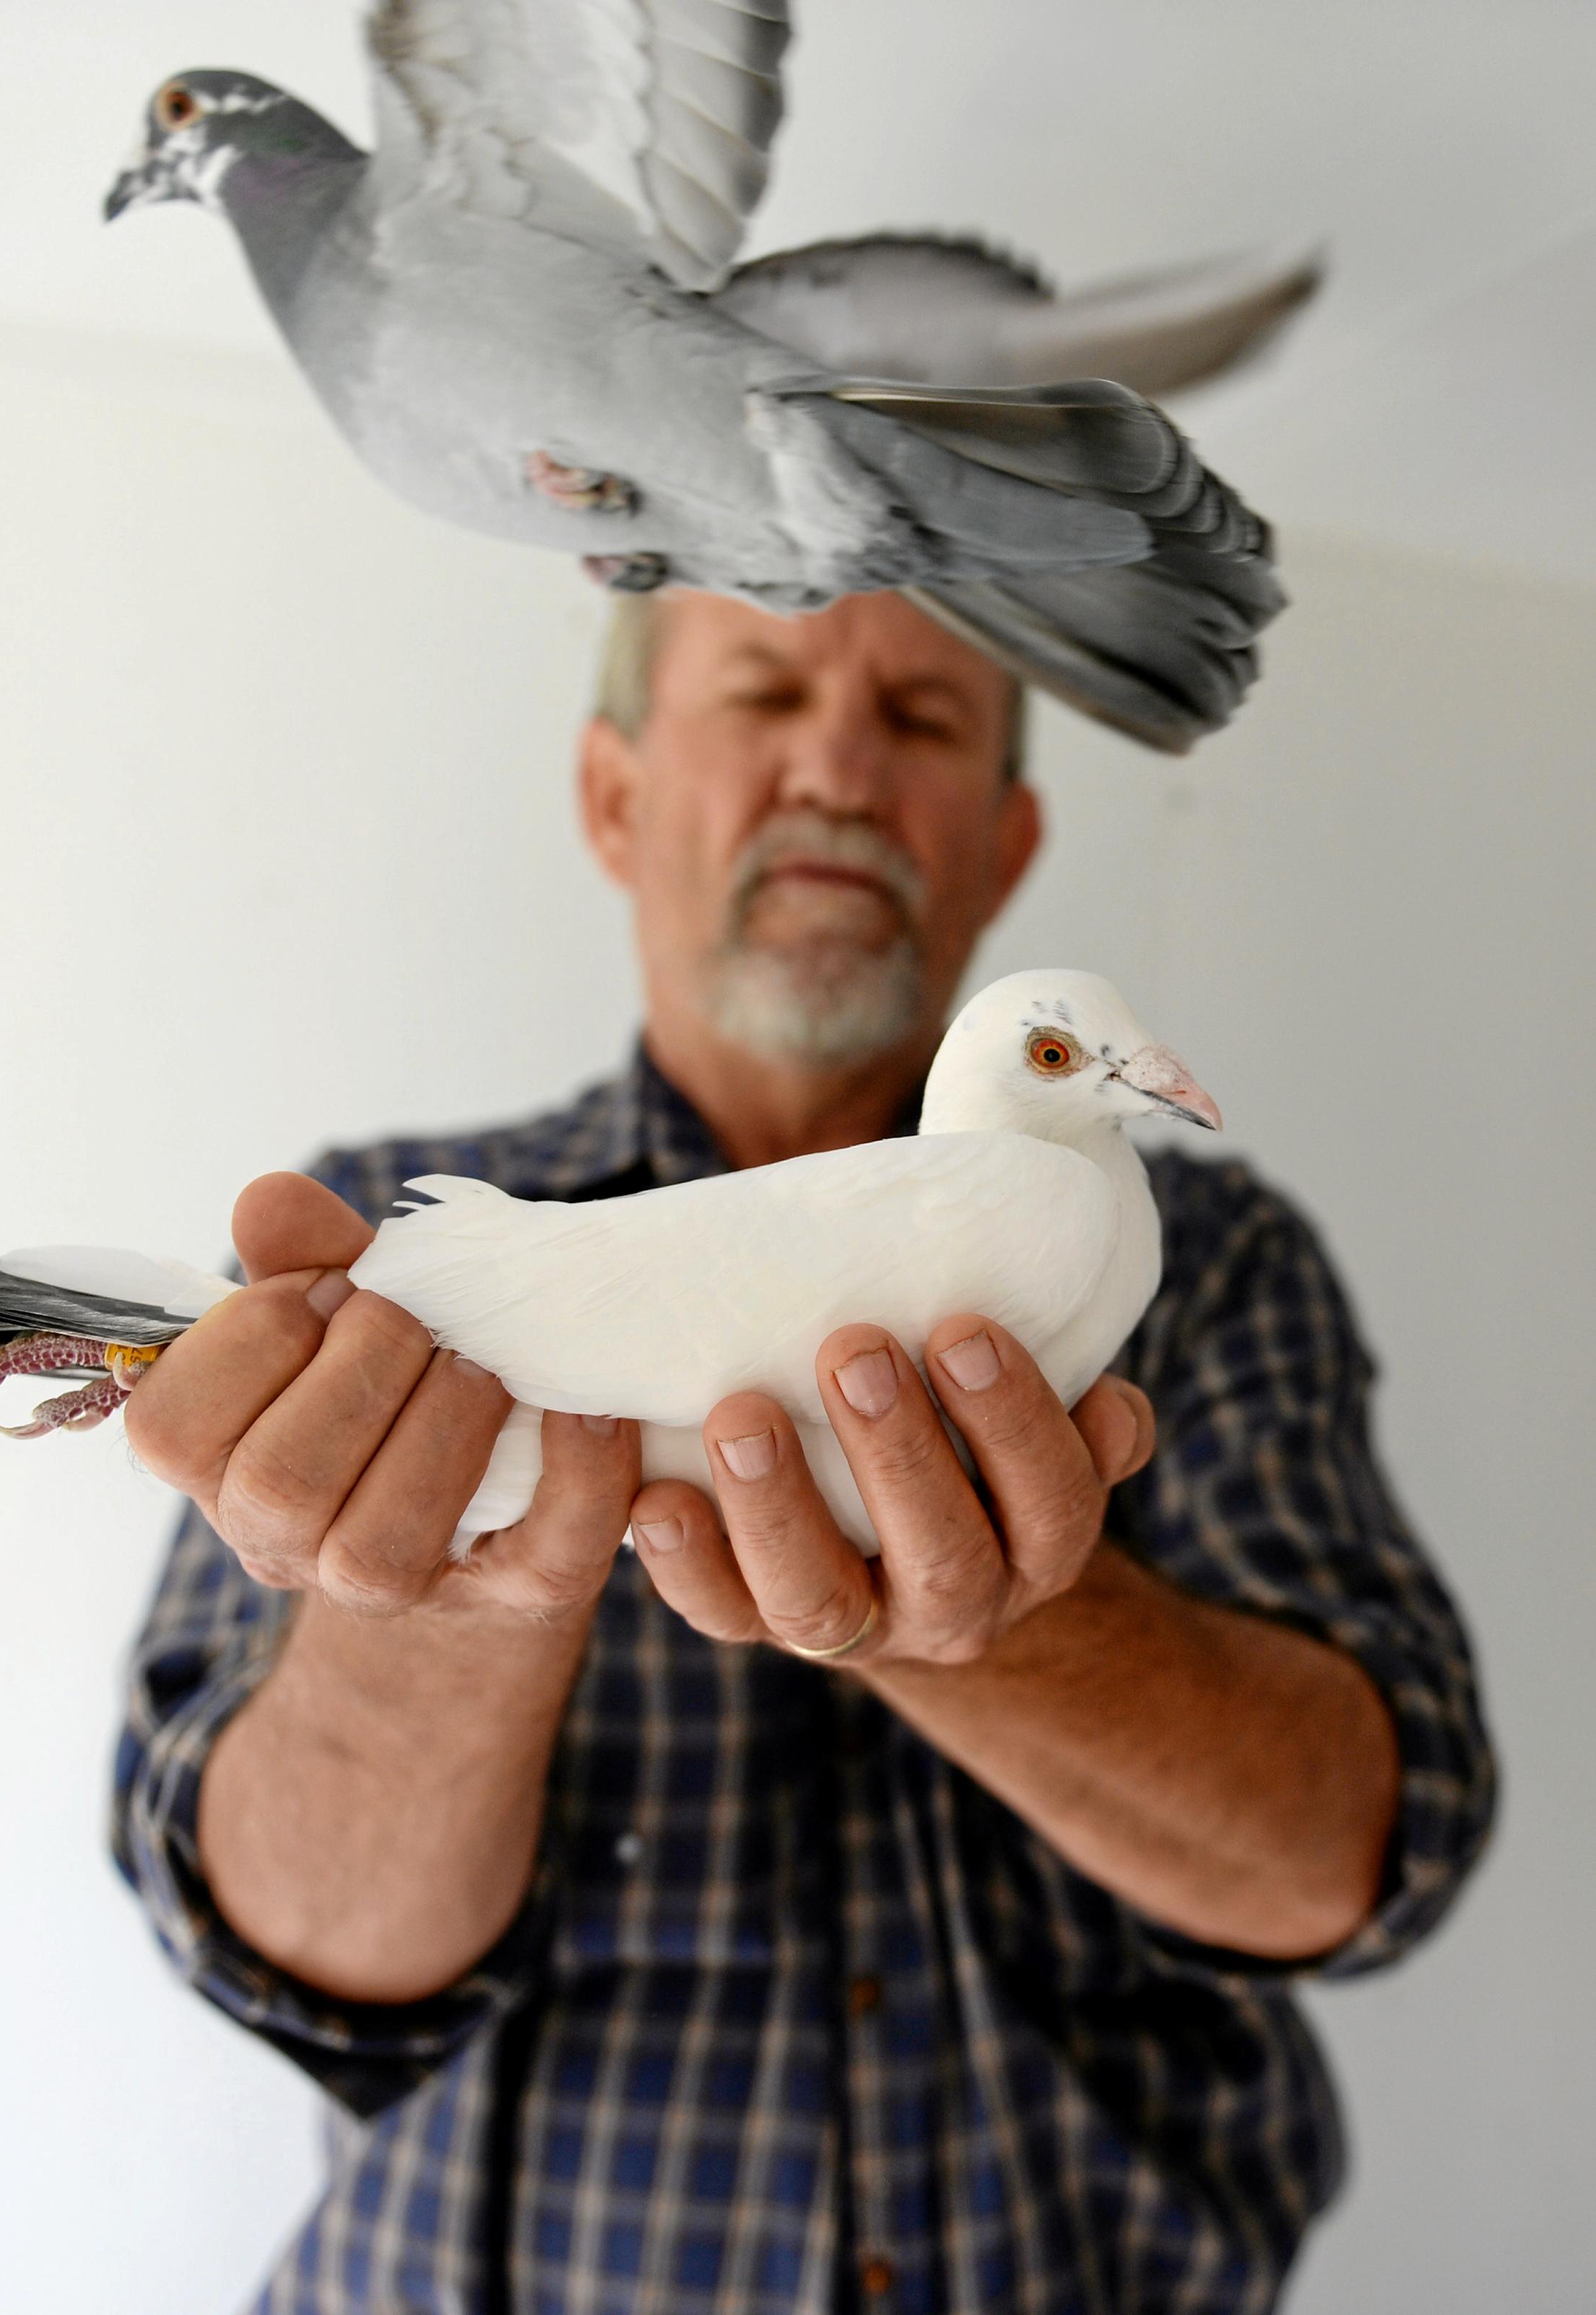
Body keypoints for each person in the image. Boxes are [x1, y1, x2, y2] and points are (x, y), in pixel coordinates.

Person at [113, 589, 1494, 2315]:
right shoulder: (366, 1273)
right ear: (614, 797)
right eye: (764, 687)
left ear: (1010, 839)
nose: (838, 764)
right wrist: (449, 1590)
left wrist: (1004, 1612)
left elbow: (1360, 1852)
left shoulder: (1220, 1269)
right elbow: (279, 1948)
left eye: (920, 718)